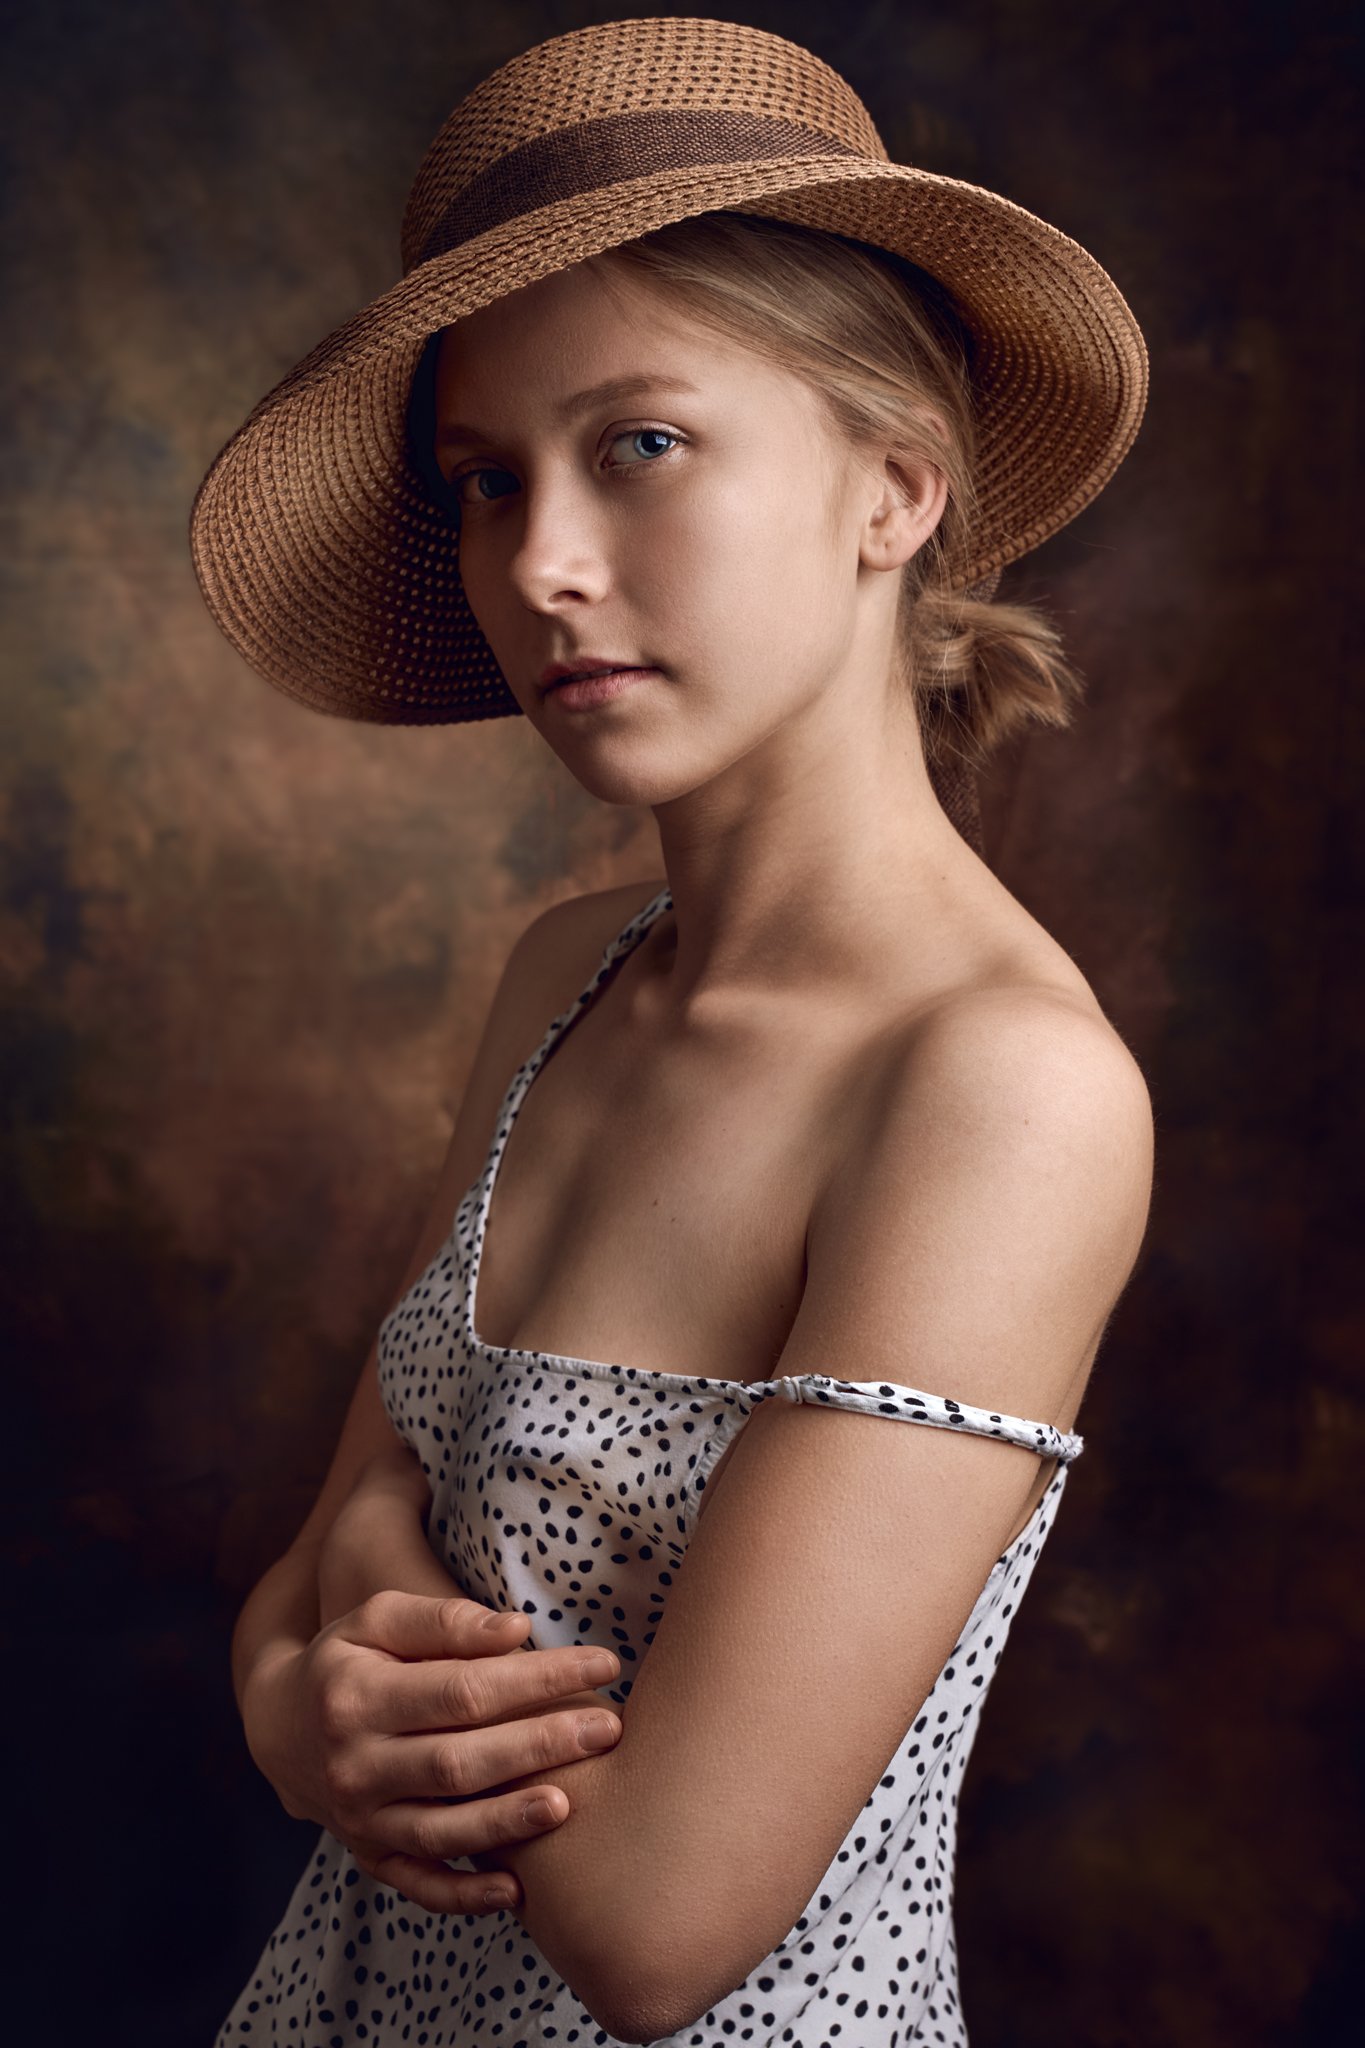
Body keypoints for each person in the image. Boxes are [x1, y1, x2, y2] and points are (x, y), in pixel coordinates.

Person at [190, 18, 1154, 2046]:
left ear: (893, 486)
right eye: (485, 482)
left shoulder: (996, 1093)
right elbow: (344, 1537)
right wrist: (290, 1702)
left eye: (637, 443)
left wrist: (353, 1623)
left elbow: (653, 1924)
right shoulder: (563, 978)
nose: (539, 566)